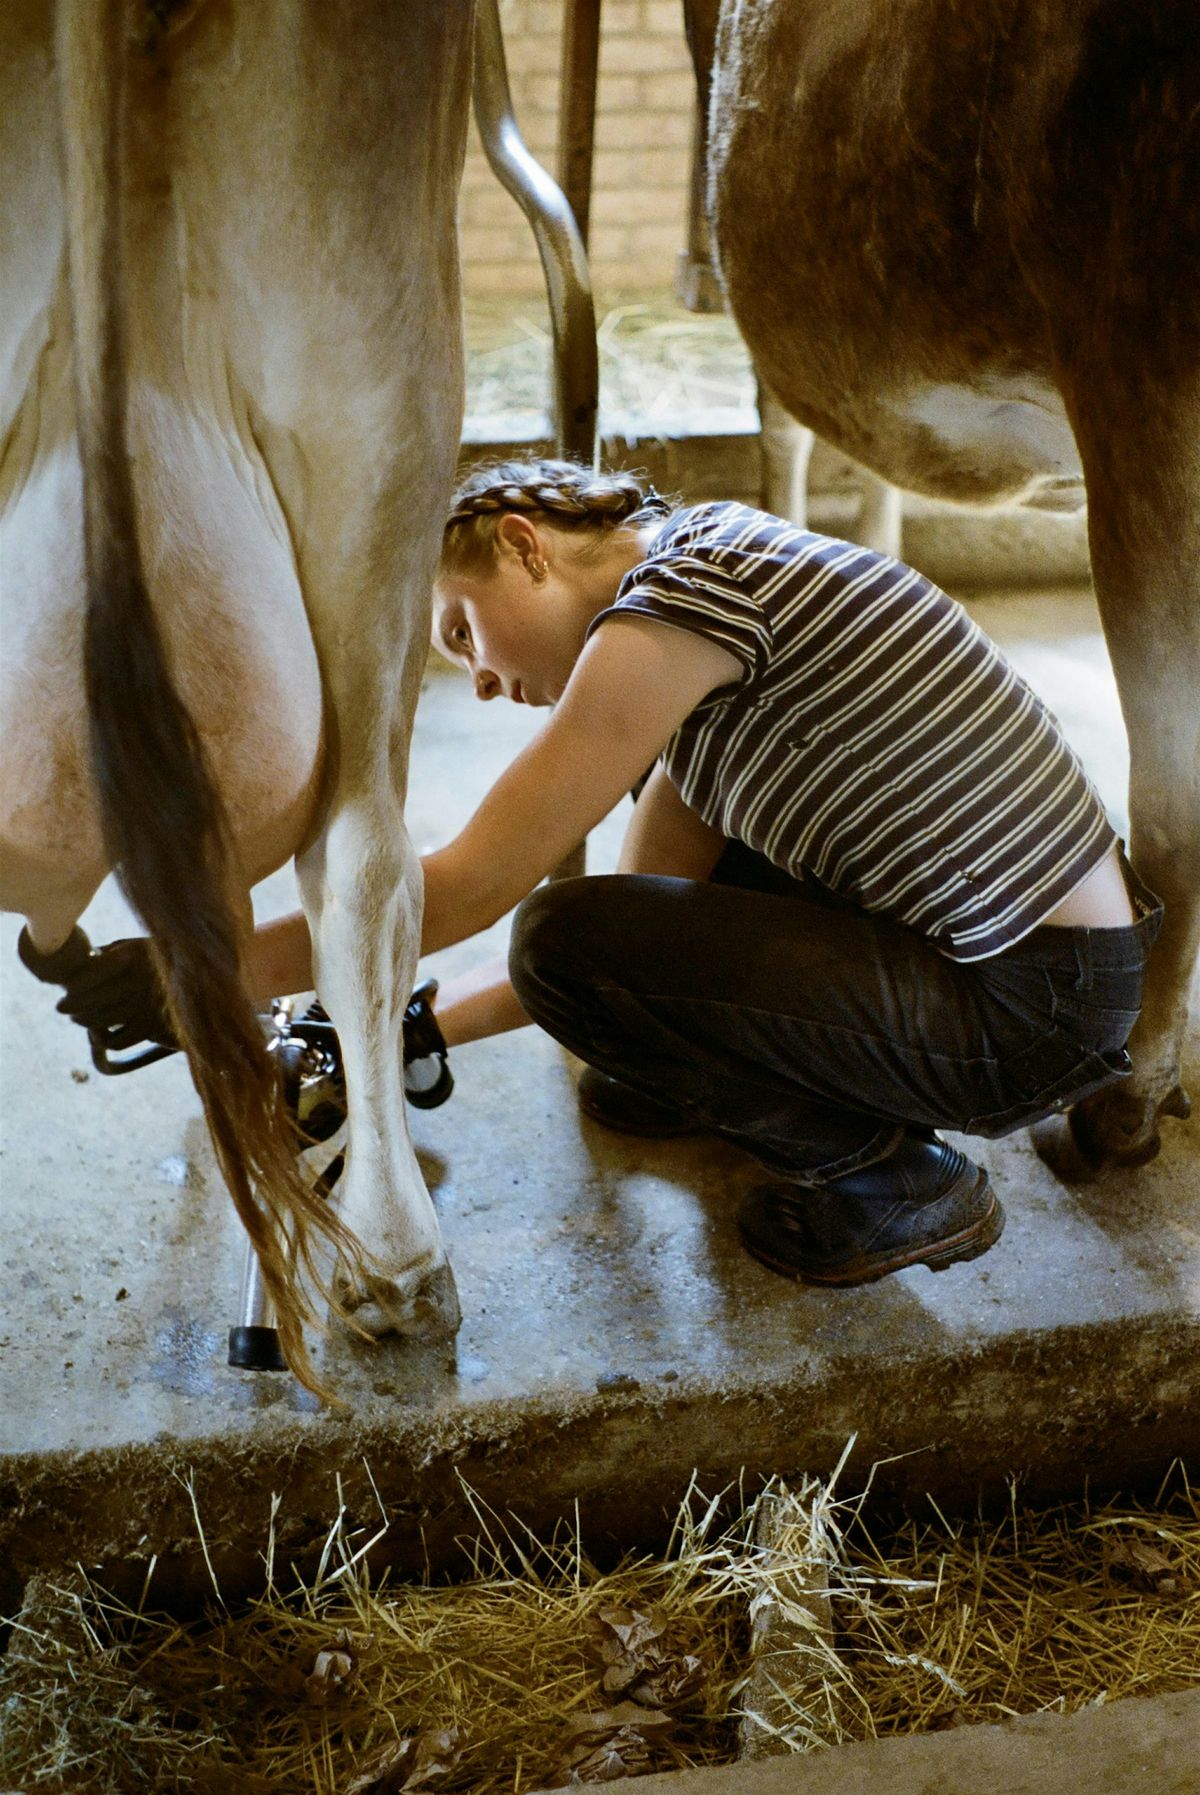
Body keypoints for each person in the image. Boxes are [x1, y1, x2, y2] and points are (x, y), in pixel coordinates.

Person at [47, 458, 1161, 1287]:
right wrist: (412, 1029)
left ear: (527, 546)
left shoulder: (678, 607)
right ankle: (782, 1103)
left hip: (1028, 1006)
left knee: (559, 933)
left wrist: (208, 972)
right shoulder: (705, 593)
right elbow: (648, 932)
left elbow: (487, 888)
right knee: (609, 967)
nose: (480, 681)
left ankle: (897, 1178)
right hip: (1035, 974)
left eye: (461, 630)